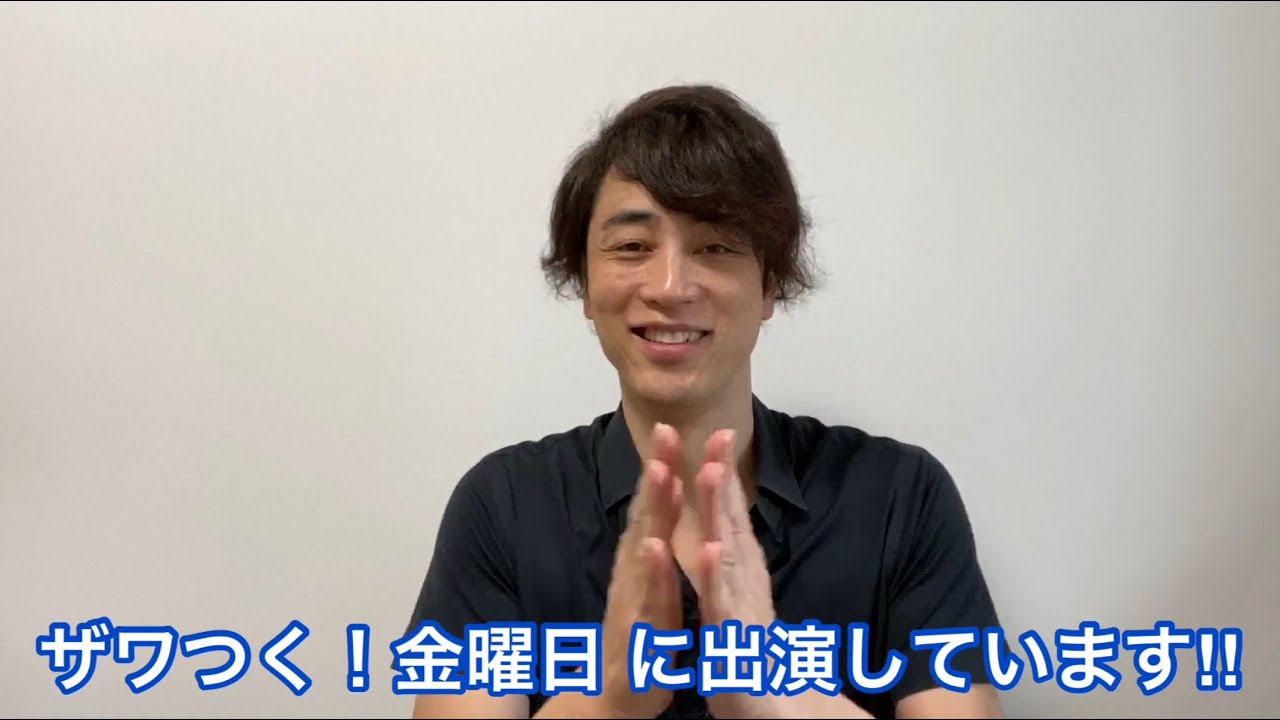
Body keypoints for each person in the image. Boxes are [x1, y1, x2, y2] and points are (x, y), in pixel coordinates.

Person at [402, 84, 1006, 719]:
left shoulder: (898, 496)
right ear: (584, 283)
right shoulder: (504, 504)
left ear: (770, 284)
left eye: (715, 246)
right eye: (632, 247)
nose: (670, 287)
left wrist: (783, 703)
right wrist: (607, 702)